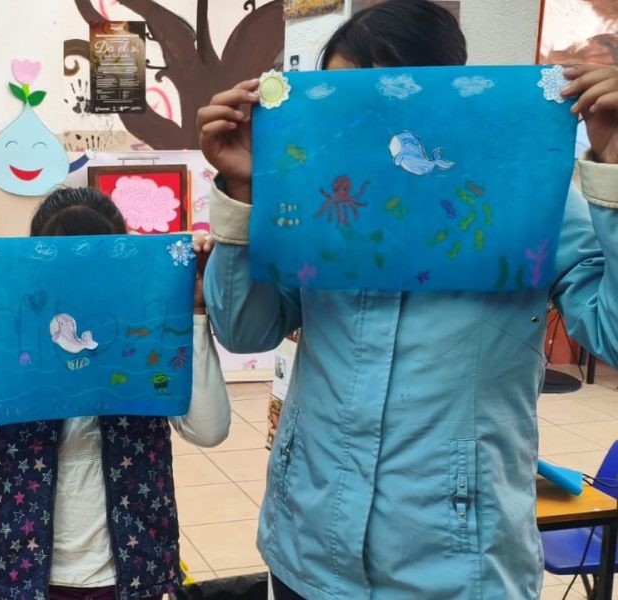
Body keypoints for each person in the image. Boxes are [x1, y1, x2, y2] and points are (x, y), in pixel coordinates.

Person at [196, 0, 618, 598]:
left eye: (388, 99)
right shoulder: (321, 197)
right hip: (306, 548)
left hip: (456, 567)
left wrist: (614, 172)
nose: (366, 123)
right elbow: (245, 331)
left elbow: (611, 338)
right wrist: (242, 192)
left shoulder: (529, 197)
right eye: (344, 102)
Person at [0, 187, 232, 600]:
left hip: (134, 574)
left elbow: (208, 430)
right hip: (23, 576)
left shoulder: (142, 338)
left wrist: (194, 313)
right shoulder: (7, 341)